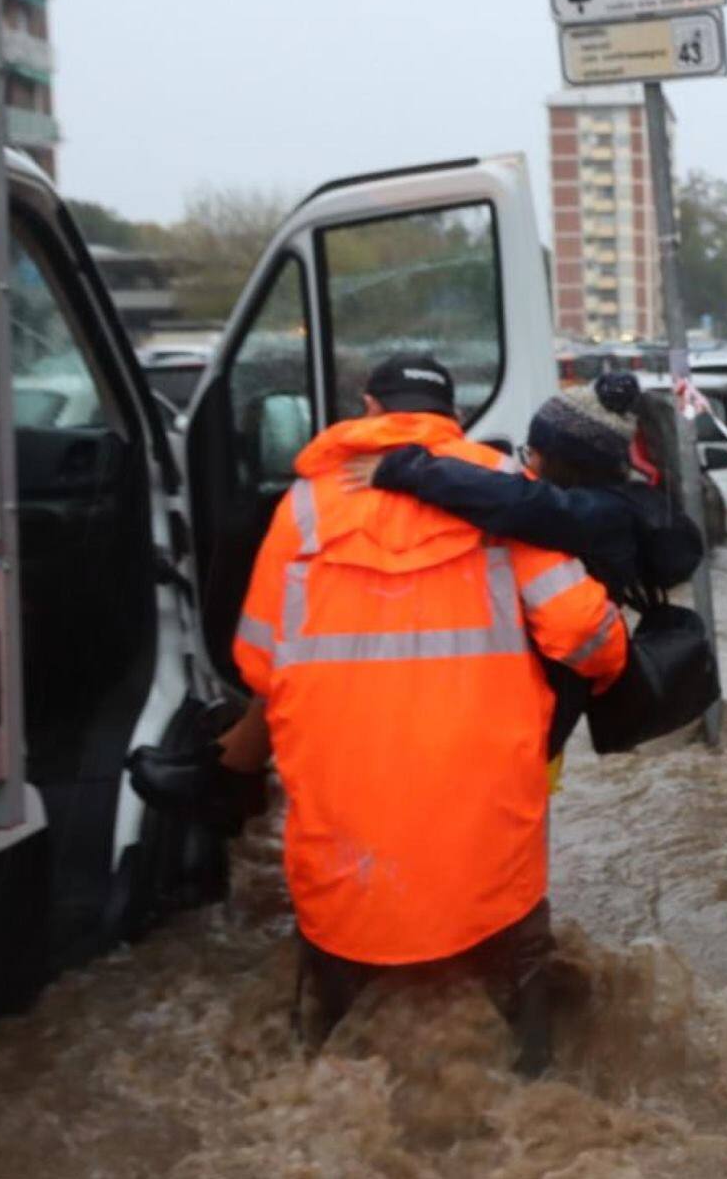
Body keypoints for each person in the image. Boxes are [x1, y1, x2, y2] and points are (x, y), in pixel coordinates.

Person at [226, 354, 627, 1073]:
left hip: (346, 818)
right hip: (482, 811)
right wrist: (620, 655)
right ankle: (537, 1090)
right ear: (451, 415)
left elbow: (259, 660)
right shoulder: (498, 491)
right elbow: (584, 634)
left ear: (369, 403)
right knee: (517, 970)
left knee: (334, 996)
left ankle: (319, 1082)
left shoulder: (305, 507)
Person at [354, 372, 708, 758]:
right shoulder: (619, 507)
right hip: (559, 697)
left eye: (533, 452)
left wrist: (411, 468)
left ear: (566, 462)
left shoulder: (598, 515)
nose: (528, 463)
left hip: (554, 703)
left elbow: (517, 501)